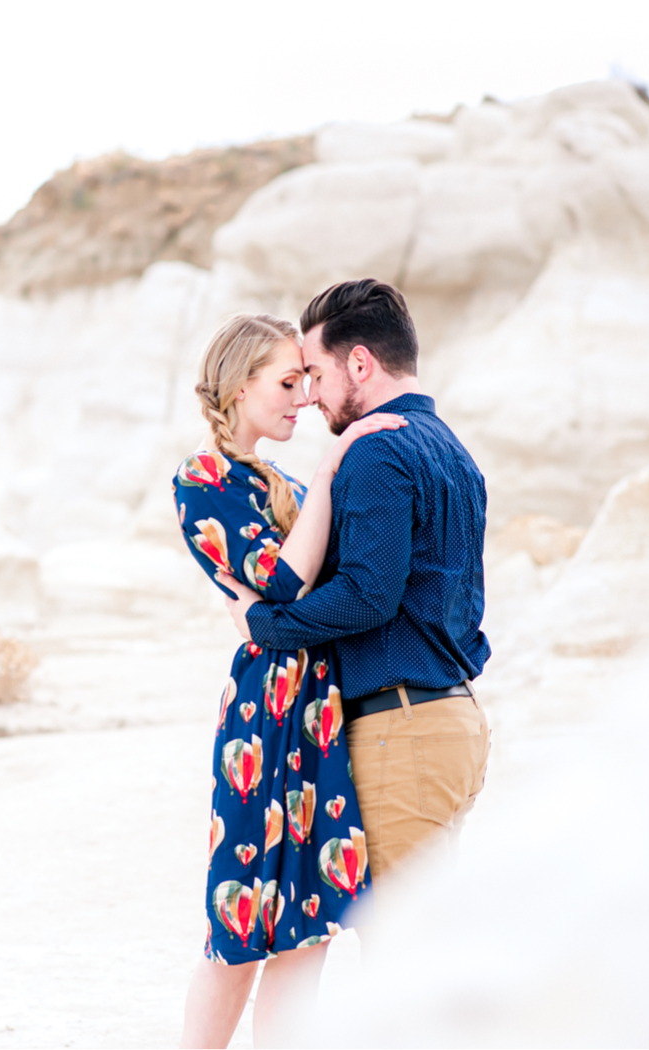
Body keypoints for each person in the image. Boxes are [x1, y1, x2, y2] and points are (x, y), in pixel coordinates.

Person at [173, 313, 406, 1049]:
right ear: (240, 387)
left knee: (311, 926)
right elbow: (281, 579)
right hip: (264, 715)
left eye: (307, 380)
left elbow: (329, 588)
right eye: (286, 381)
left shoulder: (287, 482)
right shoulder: (200, 478)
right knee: (240, 927)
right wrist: (338, 467)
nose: (303, 397)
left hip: (319, 712)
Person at [216, 279, 491, 892]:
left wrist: (265, 624)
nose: (309, 396)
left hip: (404, 730)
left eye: (314, 373)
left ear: (360, 363)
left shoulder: (375, 453)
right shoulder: (452, 450)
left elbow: (369, 594)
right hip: (453, 721)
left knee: (401, 953)